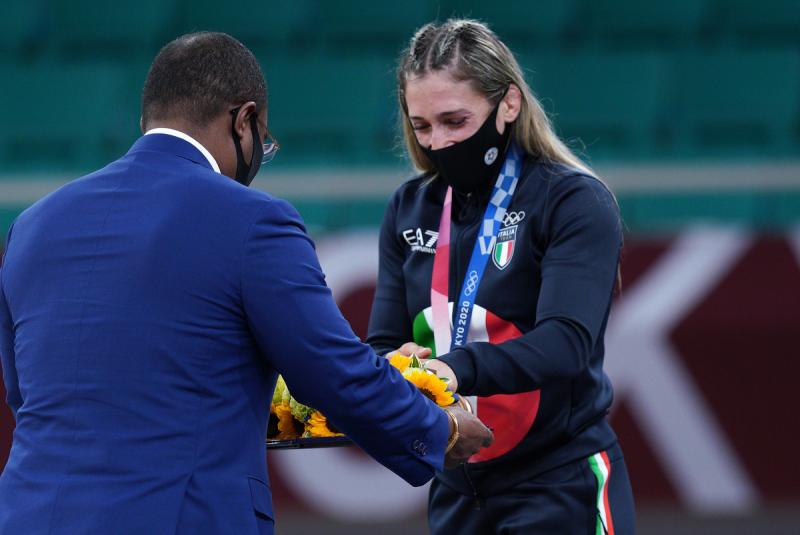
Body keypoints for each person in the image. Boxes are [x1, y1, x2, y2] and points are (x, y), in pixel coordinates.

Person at [0, 32, 493, 535]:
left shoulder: (32, 226)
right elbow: (330, 370)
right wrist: (441, 428)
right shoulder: (253, 219)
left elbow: (26, 395)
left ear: (147, 119)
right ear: (246, 120)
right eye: (265, 143)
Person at [367, 19, 636, 534]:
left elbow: (566, 343)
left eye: (455, 121)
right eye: (422, 127)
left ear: (508, 104)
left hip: (559, 486)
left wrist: (451, 369)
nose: (438, 142)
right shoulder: (408, 208)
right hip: (455, 489)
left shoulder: (572, 200)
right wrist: (398, 365)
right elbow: (384, 341)